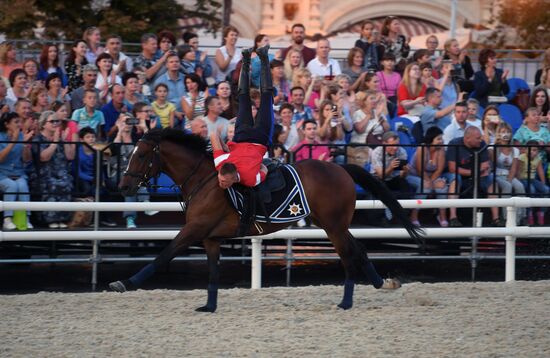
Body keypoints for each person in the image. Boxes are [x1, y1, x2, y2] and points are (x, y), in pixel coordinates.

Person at [211, 45, 274, 190]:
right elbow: (214, 136)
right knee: (244, 97)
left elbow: (264, 169)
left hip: (256, 139)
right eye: (223, 181)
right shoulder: (221, 164)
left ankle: (259, 57)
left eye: (222, 181)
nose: (221, 183)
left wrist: (256, 162)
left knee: (264, 97)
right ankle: (247, 58)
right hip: (245, 137)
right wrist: (226, 149)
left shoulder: (251, 179)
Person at [445, 126, 502, 227]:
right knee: (455, 178)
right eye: (477, 138)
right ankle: (453, 218)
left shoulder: (482, 144)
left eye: (480, 137)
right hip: (462, 178)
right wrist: (475, 171)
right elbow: (452, 168)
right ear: (467, 138)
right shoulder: (454, 144)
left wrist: (478, 171)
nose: (480, 140)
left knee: (491, 180)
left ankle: (496, 219)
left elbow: (486, 166)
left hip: (479, 177)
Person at [30, 111, 76, 228]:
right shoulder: (37, 139)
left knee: (66, 182)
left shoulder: (60, 139)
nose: (55, 124)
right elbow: (44, 157)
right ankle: (50, 219)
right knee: (52, 184)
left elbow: (70, 156)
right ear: (43, 124)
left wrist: (64, 141)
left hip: (61, 173)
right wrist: (54, 142)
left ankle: (62, 218)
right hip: (43, 173)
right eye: (52, 121)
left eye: (57, 121)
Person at [0, 112, 33, 230]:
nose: (19, 124)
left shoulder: (21, 136)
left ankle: (25, 218)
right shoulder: (0, 137)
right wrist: (12, 142)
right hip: (2, 173)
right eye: (16, 122)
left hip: (18, 172)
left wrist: (24, 145)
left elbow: (26, 159)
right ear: (7, 124)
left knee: (23, 186)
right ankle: (7, 219)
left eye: (20, 122)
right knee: (12, 186)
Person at [410, 126, 449, 227]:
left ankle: (442, 216)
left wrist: (432, 183)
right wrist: (429, 183)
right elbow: (419, 170)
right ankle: (414, 216)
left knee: (442, 187)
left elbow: (439, 169)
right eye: (438, 139)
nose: (441, 141)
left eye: (442, 138)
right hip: (414, 174)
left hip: (432, 177)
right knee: (425, 187)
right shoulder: (422, 148)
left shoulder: (441, 150)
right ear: (431, 139)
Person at [490, 122, 526, 224]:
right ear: (498, 134)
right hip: (496, 175)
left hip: (508, 175)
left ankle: (522, 216)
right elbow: (492, 162)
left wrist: (510, 180)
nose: (506, 134)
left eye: (508, 132)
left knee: (519, 186)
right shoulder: (493, 147)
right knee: (507, 187)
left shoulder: (515, 150)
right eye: (503, 132)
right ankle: (506, 217)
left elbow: (513, 169)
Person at [516, 140, 549, 226]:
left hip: (532, 179)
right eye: (531, 150)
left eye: (535, 150)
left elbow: (541, 172)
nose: (533, 152)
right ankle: (529, 213)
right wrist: (519, 180)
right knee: (532, 189)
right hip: (523, 179)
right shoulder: (522, 157)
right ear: (526, 150)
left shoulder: (537, 159)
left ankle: (541, 214)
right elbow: (518, 170)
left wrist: (543, 183)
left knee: (546, 190)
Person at [75, 126, 97, 197]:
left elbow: (101, 170)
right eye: (88, 137)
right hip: (83, 178)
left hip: (96, 178)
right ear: (81, 139)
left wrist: (100, 179)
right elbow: (78, 172)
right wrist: (92, 179)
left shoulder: (98, 152)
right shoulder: (77, 152)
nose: (91, 139)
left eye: (93, 137)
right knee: (87, 188)